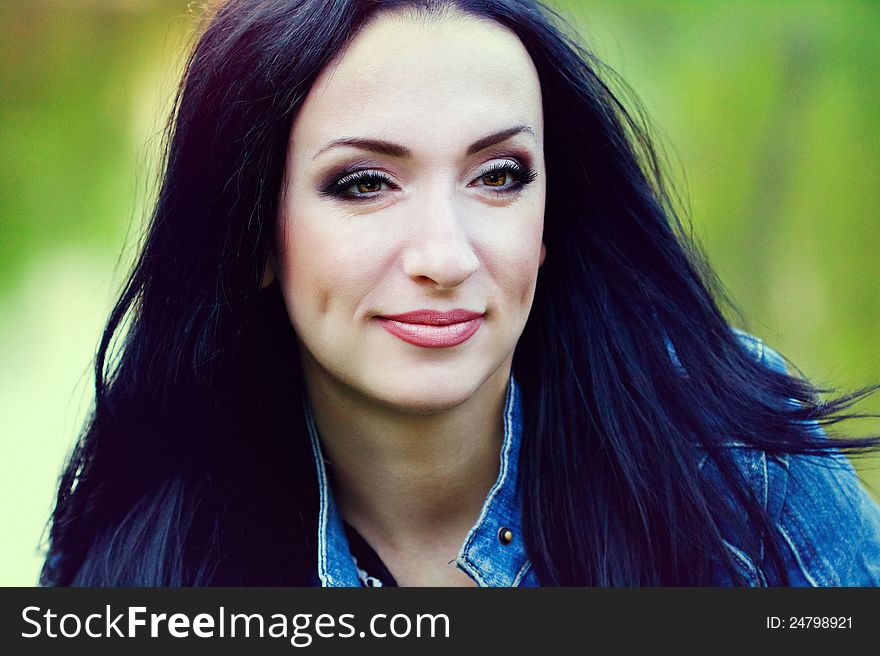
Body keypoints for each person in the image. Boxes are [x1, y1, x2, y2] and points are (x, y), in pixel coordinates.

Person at [41, 0, 880, 587]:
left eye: (499, 175)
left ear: (551, 216)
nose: (445, 254)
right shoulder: (148, 552)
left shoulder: (735, 456)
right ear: (256, 232)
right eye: (365, 183)